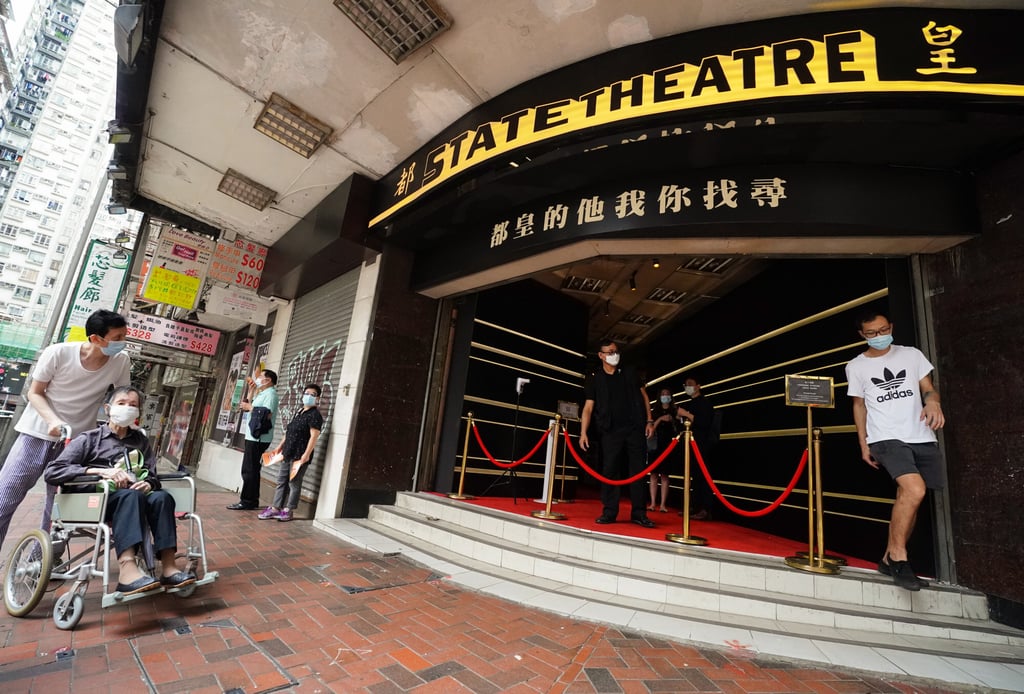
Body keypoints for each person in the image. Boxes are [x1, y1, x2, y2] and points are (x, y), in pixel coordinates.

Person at [0, 309, 132, 550]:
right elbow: (35, 392)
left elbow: (122, 395)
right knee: (5, 497)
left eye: (125, 336)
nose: (122, 343)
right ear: (95, 338)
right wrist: (52, 420)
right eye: (117, 338)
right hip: (37, 434)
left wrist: (126, 417)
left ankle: (42, 564)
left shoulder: (120, 361)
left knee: (60, 508)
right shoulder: (58, 353)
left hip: (77, 443)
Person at [44, 387, 195, 594]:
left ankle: (169, 568)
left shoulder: (140, 441)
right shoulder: (90, 439)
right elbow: (53, 471)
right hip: (95, 501)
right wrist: (99, 471)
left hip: (133, 498)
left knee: (162, 498)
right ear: (108, 408)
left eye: (133, 405)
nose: (127, 408)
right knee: (130, 496)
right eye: (122, 403)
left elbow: (152, 473)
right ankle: (127, 569)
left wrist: (149, 483)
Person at [845, 309, 945, 591]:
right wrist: (864, 443)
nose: (879, 336)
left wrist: (933, 402)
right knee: (915, 490)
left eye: (883, 330)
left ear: (891, 326)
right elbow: (859, 405)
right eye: (871, 334)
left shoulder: (911, 355)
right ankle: (900, 559)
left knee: (908, 496)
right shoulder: (857, 366)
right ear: (862, 335)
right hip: (886, 437)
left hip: (921, 434)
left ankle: (888, 559)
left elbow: (928, 387)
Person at [579, 340, 656, 528]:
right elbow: (588, 407)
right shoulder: (595, 379)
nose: (615, 354)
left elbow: (644, 395)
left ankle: (639, 513)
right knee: (610, 471)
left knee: (638, 471)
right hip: (610, 430)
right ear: (601, 355)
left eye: (616, 351)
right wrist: (583, 433)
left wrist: (649, 420)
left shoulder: (629, 372)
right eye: (610, 352)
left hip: (635, 428)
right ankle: (609, 512)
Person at [258, 384, 324, 522]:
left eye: (312, 394)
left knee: (294, 483)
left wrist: (306, 455)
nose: (308, 396)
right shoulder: (299, 412)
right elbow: (288, 432)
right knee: (281, 480)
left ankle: (289, 510)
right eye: (306, 393)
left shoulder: (315, 415)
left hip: (300, 455)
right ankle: (276, 508)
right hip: (287, 453)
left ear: (317, 398)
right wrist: (279, 447)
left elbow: (314, 436)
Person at [228, 369, 279, 510]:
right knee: (252, 469)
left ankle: (247, 501)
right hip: (253, 436)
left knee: (249, 470)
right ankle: (251, 500)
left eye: (260, 376)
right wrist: (250, 392)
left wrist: (250, 407)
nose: (257, 378)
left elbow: (267, 414)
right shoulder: (262, 393)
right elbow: (245, 408)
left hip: (259, 438)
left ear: (268, 380)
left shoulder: (271, 395)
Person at [677, 377, 716, 520]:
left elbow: (704, 422)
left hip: (703, 444)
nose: (687, 387)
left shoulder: (705, 403)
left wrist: (686, 414)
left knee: (703, 476)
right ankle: (694, 506)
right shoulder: (689, 403)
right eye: (685, 385)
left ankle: (706, 508)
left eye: (690, 385)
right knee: (694, 477)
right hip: (691, 445)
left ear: (698, 386)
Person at [647, 388, 678, 513]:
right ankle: (653, 503)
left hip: (668, 445)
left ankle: (663, 504)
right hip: (655, 445)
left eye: (667, 394)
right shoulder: (655, 412)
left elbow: (678, 429)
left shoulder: (674, 411)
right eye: (663, 394)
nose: (665, 396)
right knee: (653, 474)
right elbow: (650, 430)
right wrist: (660, 420)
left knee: (665, 475)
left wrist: (673, 420)